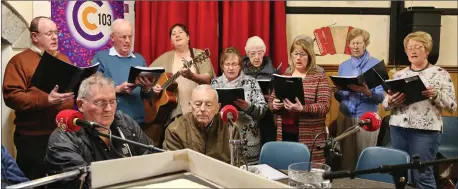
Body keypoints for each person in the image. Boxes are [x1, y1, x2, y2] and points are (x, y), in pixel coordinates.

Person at [45, 73, 154, 188]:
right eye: (100, 102)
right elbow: (84, 183)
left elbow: (152, 157)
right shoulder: (63, 138)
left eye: (112, 101)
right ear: (81, 104)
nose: (108, 109)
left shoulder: (125, 122)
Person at [2, 16, 75, 180]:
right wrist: (46, 100)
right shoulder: (18, 62)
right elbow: (12, 97)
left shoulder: (63, 59)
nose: (55, 37)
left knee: (63, 181)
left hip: (63, 134)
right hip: (33, 139)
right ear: (35, 37)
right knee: (34, 182)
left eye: (56, 33)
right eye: (49, 33)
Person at [383, 31, 456, 189]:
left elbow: (452, 106)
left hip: (425, 131)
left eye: (417, 47)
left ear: (427, 50)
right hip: (398, 128)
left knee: (422, 173)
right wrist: (390, 101)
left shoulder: (440, 74)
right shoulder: (398, 75)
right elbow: (385, 104)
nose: (412, 50)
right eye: (409, 48)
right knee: (400, 174)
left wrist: (436, 95)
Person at [149, 23, 215, 146]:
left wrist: (192, 76)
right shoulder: (165, 58)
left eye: (180, 32)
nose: (177, 35)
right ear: (171, 41)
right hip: (175, 114)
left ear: (188, 37)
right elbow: (148, 76)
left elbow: (208, 79)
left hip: (199, 112)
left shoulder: (199, 55)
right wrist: (155, 87)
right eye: (173, 34)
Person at [268, 39, 331, 163]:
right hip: (285, 133)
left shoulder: (319, 77)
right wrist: (274, 104)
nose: (298, 58)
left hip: (310, 135)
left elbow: (324, 106)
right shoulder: (285, 76)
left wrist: (303, 108)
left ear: (309, 56)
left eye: (302, 54)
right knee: (286, 168)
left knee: (308, 171)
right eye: (295, 54)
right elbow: (271, 100)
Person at [334, 28, 385, 170]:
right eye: (352, 43)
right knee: (345, 159)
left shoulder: (376, 65)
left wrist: (367, 92)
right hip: (345, 116)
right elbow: (341, 92)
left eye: (359, 43)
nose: (355, 46)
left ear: (365, 44)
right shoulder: (343, 66)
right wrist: (338, 92)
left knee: (364, 158)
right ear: (349, 45)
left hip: (367, 117)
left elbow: (381, 97)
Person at [91, 19, 152, 131]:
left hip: (138, 121)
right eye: (123, 37)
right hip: (111, 121)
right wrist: (118, 89)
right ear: (112, 37)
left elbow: (147, 97)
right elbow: (94, 91)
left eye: (130, 37)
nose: (128, 41)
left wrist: (148, 88)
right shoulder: (101, 58)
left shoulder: (139, 59)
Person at [210, 47, 267, 164]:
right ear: (222, 66)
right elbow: (209, 110)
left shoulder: (251, 82)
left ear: (240, 66)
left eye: (234, 64)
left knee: (249, 175)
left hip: (248, 140)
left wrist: (248, 107)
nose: (231, 68)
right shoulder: (215, 83)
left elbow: (263, 110)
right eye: (227, 64)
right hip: (223, 139)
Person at [163, 85, 233, 163]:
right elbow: (175, 165)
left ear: (217, 107)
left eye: (208, 105)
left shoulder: (229, 127)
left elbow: (238, 162)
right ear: (190, 105)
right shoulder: (175, 130)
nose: (202, 109)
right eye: (198, 104)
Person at [242, 36, 278, 146]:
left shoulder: (273, 71)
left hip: (266, 114)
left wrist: (271, 99)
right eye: (253, 54)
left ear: (265, 51)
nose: (257, 57)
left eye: (260, 53)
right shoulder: (240, 70)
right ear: (247, 53)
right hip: (246, 115)